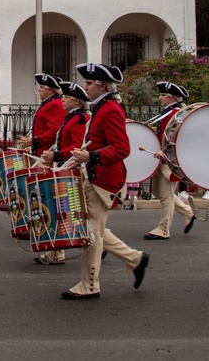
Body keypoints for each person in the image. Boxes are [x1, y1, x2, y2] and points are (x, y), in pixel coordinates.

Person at [61, 62, 148, 301]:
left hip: (103, 179)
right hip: (96, 174)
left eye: (88, 83)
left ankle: (90, 285)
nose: (84, 87)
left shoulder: (109, 109)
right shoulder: (102, 107)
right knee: (96, 229)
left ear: (101, 85)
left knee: (91, 232)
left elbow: (122, 149)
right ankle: (135, 259)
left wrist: (91, 156)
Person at [36, 79, 90, 265]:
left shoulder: (79, 120)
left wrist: (56, 155)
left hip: (72, 170)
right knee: (60, 210)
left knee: (74, 214)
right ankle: (56, 252)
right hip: (64, 167)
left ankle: (109, 248)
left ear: (76, 101)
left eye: (66, 97)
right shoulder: (72, 117)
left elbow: (76, 147)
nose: (62, 100)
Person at [144, 81, 195, 241]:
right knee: (159, 193)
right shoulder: (168, 112)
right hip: (161, 159)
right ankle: (188, 213)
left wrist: (164, 153)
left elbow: (176, 138)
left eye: (163, 95)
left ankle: (163, 228)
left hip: (169, 160)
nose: (160, 98)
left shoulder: (177, 114)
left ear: (172, 97)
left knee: (166, 195)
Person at [20, 73, 66, 156]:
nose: (39, 90)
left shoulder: (54, 104)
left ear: (51, 90)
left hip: (46, 152)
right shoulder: (50, 102)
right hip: (42, 150)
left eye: (42, 87)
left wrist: (34, 141)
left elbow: (55, 131)